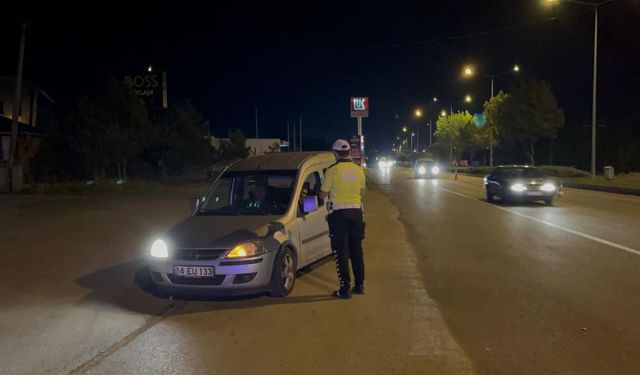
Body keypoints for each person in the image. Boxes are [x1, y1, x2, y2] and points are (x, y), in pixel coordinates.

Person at [319, 139, 366, 299]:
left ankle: (344, 289)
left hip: (339, 215)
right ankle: (359, 285)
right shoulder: (359, 170)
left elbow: (323, 194)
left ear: (335, 153)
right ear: (348, 153)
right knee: (356, 250)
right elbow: (362, 191)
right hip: (356, 213)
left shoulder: (332, 171)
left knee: (341, 252)